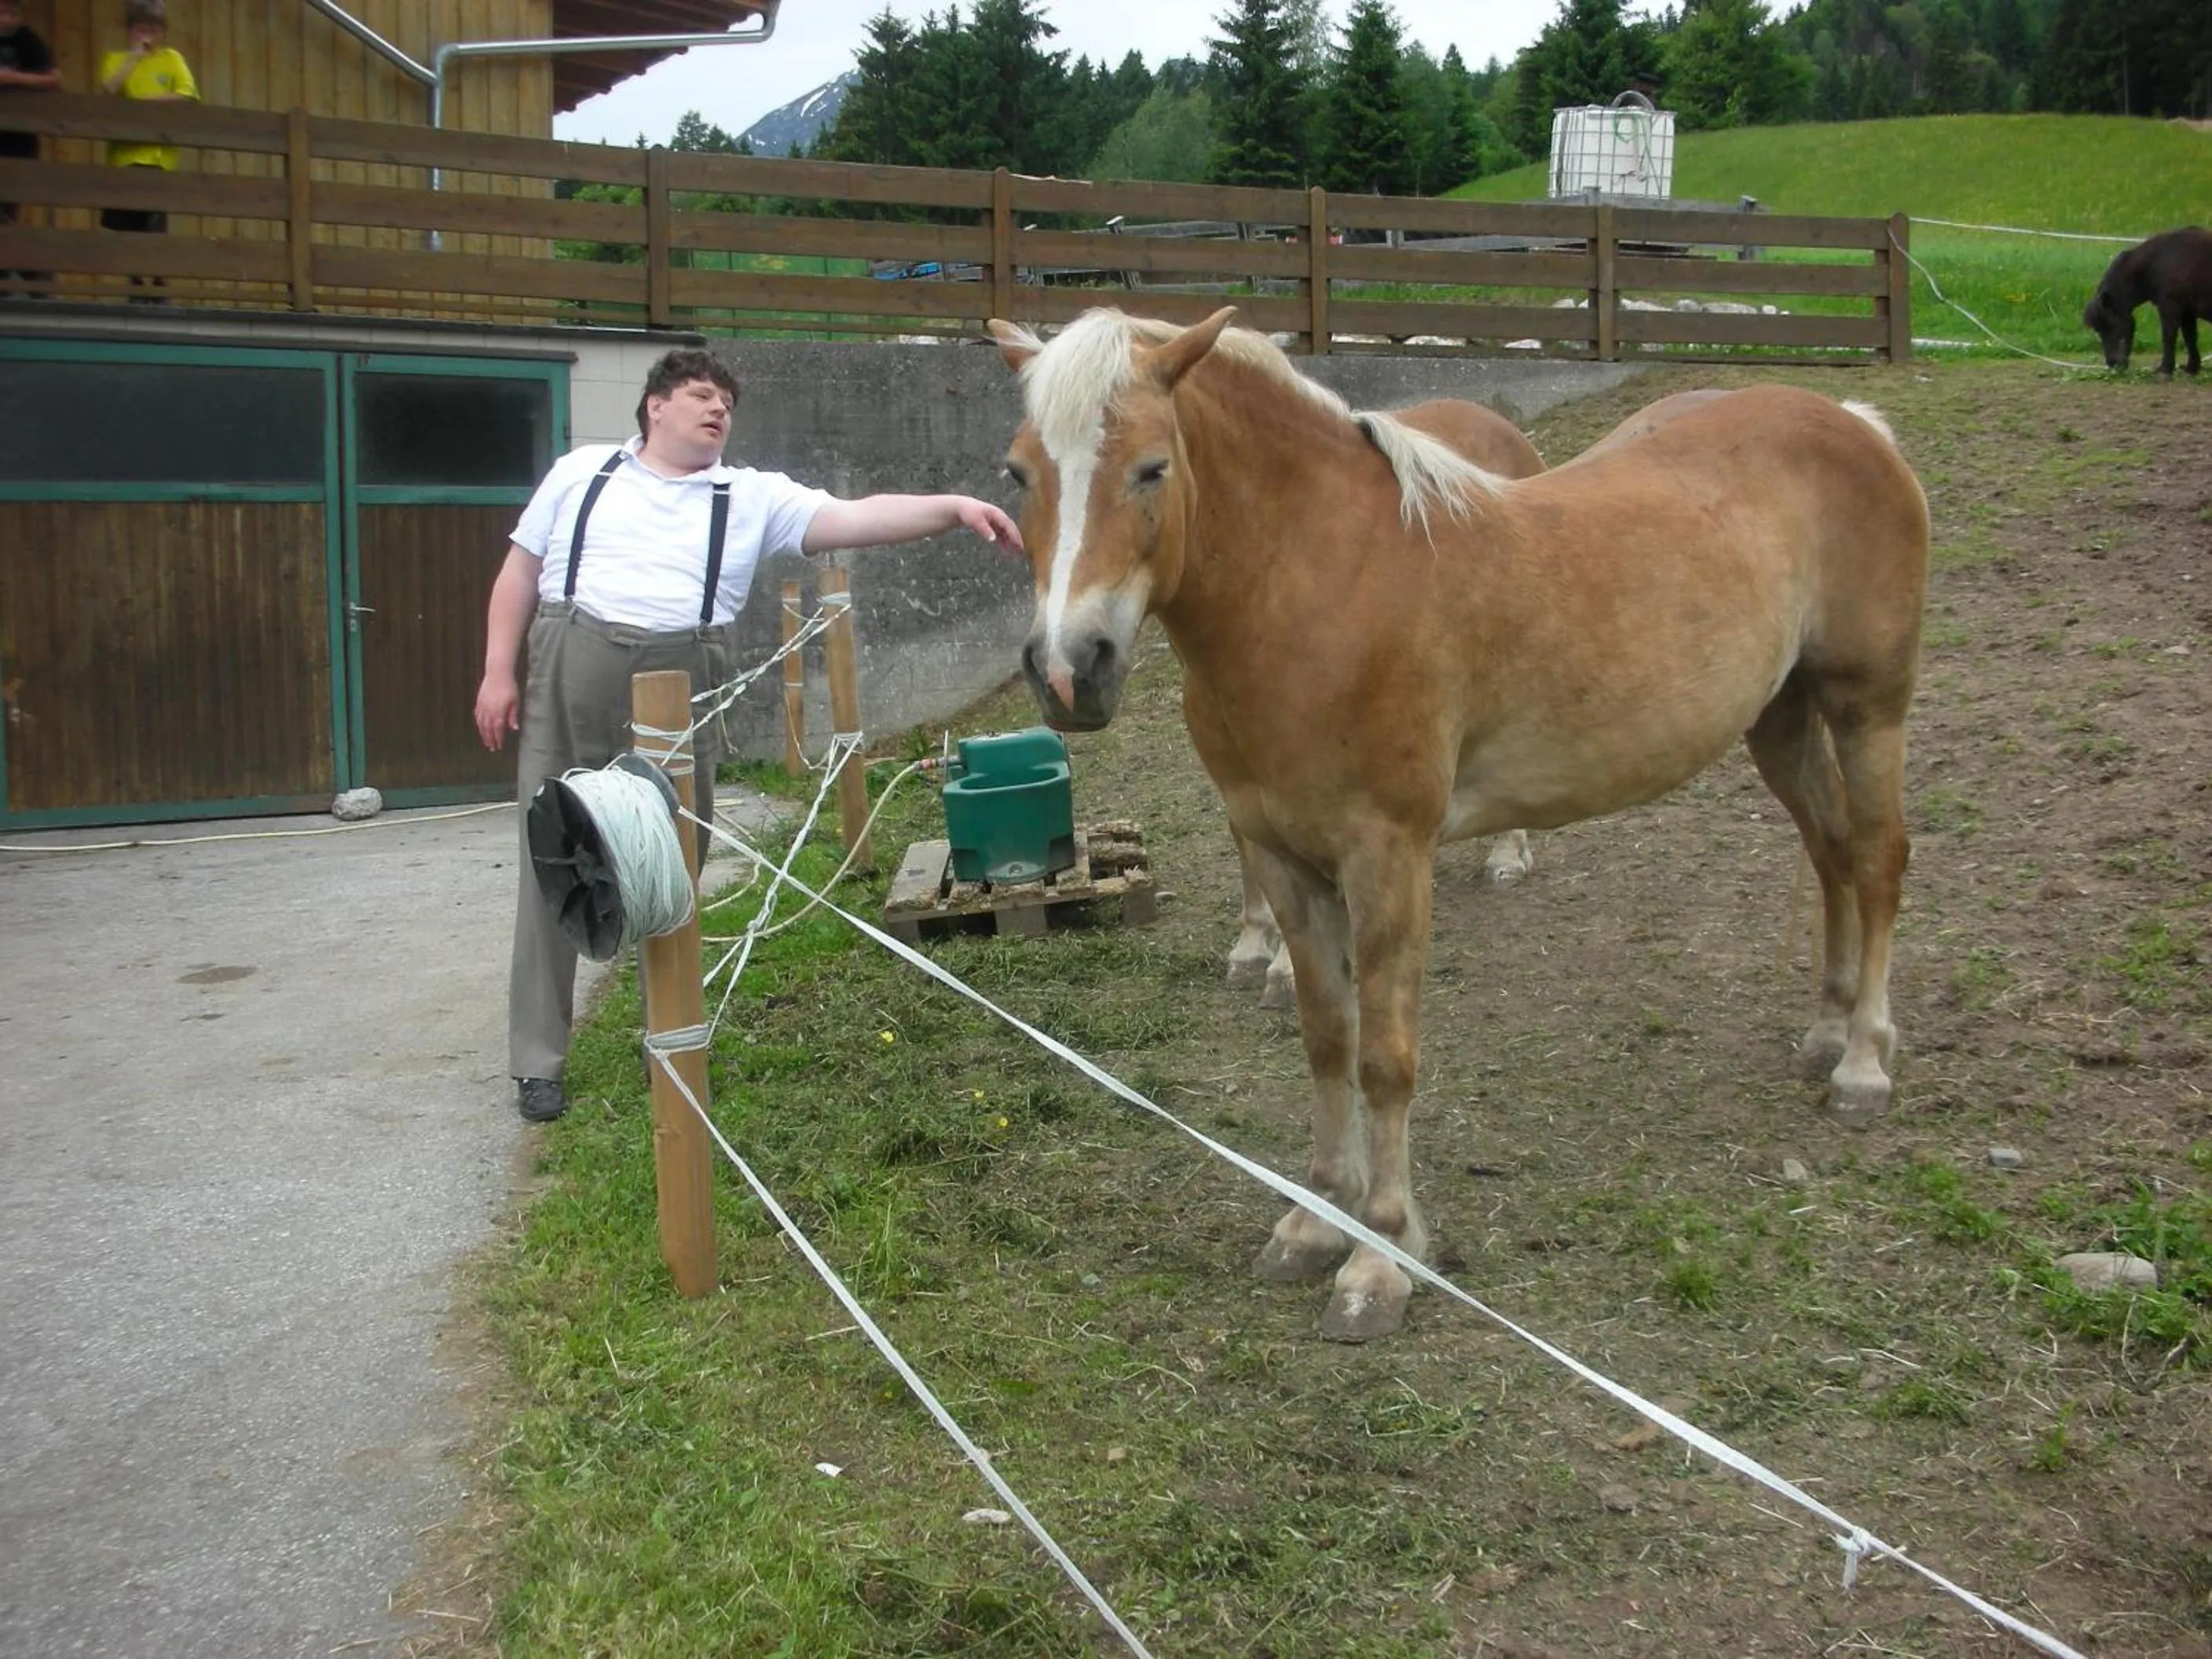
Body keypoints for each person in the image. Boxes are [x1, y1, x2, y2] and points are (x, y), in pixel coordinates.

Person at [475, 347, 1023, 1123]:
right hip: (573, 655)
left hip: (686, 671)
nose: (717, 410)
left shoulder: (752, 495)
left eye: (726, 403)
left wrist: (954, 507)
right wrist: (498, 672)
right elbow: (519, 574)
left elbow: (857, 517)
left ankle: (664, 1034)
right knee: (553, 850)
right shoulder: (581, 471)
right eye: (700, 395)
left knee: (670, 861)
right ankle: (538, 1062)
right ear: (654, 406)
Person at [98, 0, 196, 299]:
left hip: (158, 158)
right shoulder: (115, 59)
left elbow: (187, 95)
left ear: (163, 32)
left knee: (154, 223)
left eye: (153, 30)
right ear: (130, 31)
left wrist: (143, 104)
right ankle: (137, 286)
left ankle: (158, 286)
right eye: (141, 29)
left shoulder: (172, 58)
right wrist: (134, 58)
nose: (148, 36)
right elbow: (110, 89)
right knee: (127, 227)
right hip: (124, 158)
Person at [0, 0, 60, 298]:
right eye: (1, 11)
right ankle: (28, 274)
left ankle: (19, 275)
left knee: (8, 211)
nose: (7, 19)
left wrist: (10, 78)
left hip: (19, 142)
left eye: (13, 13)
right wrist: (25, 80)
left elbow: (54, 79)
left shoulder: (29, 40)